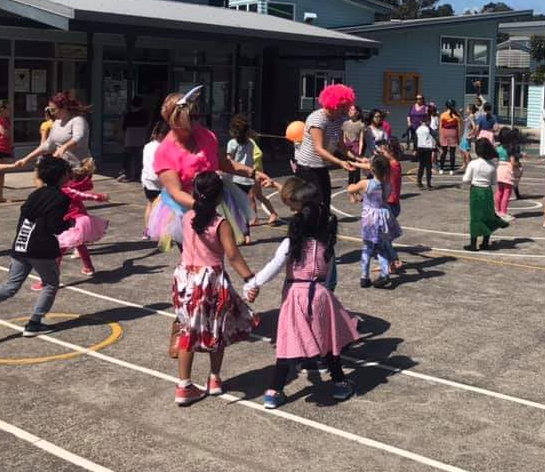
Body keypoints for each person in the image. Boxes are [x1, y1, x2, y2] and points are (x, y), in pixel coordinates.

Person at [243, 179, 360, 409]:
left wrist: (253, 283)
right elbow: (326, 275)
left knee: (287, 344)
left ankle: (274, 391)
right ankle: (338, 383)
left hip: (295, 295)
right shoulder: (326, 244)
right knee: (328, 342)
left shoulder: (291, 244)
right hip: (320, 295)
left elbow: (274, 267)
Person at [0, 155, 73, 339]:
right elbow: (53, 226)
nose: (70, 175)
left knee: (11, 285)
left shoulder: (35, 194)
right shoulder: (61, 198)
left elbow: (24, 215)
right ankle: (34, 323)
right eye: (68, 172)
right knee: (51, 283)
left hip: (21, 244)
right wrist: (69, 223)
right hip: (40, 248)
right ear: (60, 176)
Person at [171, 172, 259, 406]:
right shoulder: (220, 223)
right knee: (216, 329)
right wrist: (250, 278)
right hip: (210, 280)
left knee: (187, 330)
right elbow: (233, 255)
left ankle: (184, 384)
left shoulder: (187, 216)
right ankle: (214, 378)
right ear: (220, 197)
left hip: (185, 279)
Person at [147, 89, 267, 250]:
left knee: (217, 252)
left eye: (197, 116)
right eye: (192, 118)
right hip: (186, 209)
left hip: (214, 201)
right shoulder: (165, 152)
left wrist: (253, 173)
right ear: (175, 121)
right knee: (195, 255)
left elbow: (224, 163)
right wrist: (202, 207)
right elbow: (176, 192)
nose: (197, 122)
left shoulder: (206, 135)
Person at [294, 84, 357, 214]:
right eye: (342, 106)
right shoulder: (317, 119)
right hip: (308, 166)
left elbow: (340, 144)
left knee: (325, 201)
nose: (345, 110)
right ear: (333, 104)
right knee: (312, 204)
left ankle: (322, 228)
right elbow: (319, 149)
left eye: (346, 106)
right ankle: (310, 230)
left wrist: (357, 157)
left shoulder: (340, 119)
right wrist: (340, 162)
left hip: (321, 166)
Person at [348, 154, 401, 288]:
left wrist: (352, 187)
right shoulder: (387, 184)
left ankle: (364, 277)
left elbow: (351, 189)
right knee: (381, 247)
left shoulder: (366, 183)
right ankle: (384, 274)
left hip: (371, 219)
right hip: (383, 216)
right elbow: (382, 199)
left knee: (367, 247)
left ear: (372, 169)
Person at [54, 158, 109, 277]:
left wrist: (100, 197)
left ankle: (51, 278)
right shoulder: (71, 186)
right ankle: (88, 267)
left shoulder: (66, 189)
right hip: (78, 220)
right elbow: (84, 189)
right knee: (79, 244)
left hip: (76, 221)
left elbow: (84, 195)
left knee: (60, 248)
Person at [20, 92, 92, 169]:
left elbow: (78, 138)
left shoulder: (78, 120)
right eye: (50, 110)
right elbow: (47, 146)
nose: (51, 113)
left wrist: (64, 147)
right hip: (63, 170)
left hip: (79, 169)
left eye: (53, 110)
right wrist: (26, 159)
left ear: (64, 108)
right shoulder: (56, 123)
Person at [461, 138, 510, 250]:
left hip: (476, 191)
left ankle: (473, 244)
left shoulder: (473, 163)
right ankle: (485, 242)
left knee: (476, 217)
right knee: (488, 215)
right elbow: (493, 182)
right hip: (487, 191)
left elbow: (466, 180)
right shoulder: (492, 165)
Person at [227, 114, 257, 245]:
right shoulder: (250, 143)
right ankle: (247, 235)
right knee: (244, 208)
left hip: (235, 179)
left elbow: (228, 161)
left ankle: (238, 235)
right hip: (247, 179)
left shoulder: (232, 143)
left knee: (234, 209)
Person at [140, 121, 166, 241]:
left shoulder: (148, 145)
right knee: (160, 207)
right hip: (159, 180)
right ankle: (158, 231)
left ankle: (147, 231)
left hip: (147, 179)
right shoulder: (164, 147)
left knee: (150, 204)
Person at [118, 96, 150, 183]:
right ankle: (137, 175)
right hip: (141, 137)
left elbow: (124, 126)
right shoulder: (144, 113)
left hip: (130, 137)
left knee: (127, 157)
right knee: (138, 158)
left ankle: (127, 174)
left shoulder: (128, 114)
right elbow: (147, 125)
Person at [341, 104, 365, 198]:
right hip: (347, 148)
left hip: (356, 147)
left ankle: (358, 191)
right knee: (350, 171)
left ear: (357, 112)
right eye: (349, 109)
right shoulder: (345, 123)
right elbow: (343, 138)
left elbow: (361, 140)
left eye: (352, 110)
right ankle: (350, 191)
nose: (350, 111)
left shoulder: (361, 124)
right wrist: (344, 150)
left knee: (357, 171)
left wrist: (359, 152)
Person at [496, 140, 523, 219]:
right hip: (508, 171)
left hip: (499, 169)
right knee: (506, 193)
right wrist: (519, 164)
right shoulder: (510, 148)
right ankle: (503, 212)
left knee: (499, 191)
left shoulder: (499, 148)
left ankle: (497, 211)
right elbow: (513, 163)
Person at [437, 101, 461, 176]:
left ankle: (441, 168)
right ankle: (452, 170)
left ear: (446, 106)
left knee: (443, 152)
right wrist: (458, 137)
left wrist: (440, 136)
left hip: (444, 132)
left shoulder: (443, 115)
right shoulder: (457, 115)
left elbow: (440, 127)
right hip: (453, 132)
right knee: (452, 152)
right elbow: (459, 127)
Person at [415, 114, 436, 189]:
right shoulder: (428, 129)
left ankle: (419, 181)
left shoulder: (418, 129)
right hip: (427, 148)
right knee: (428, 166)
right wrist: (438, 146)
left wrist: (415, 149)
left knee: (421, 165)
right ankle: (428, 184)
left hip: (420, 148)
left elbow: (415, 139)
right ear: (428, 121)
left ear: (421, 121)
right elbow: (434, 135)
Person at [459, 104, 478, 168]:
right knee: (461, 149)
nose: (466, 110)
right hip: (465, 134)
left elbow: (474, 127)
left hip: (467, 135)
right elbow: (464, 121)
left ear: (471, 110)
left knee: (466, 151)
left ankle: (469, 165)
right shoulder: (469, 116)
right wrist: (461, 114)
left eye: (467, 109)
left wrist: (471, 134)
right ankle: (465, 163)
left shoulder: (471, 117)